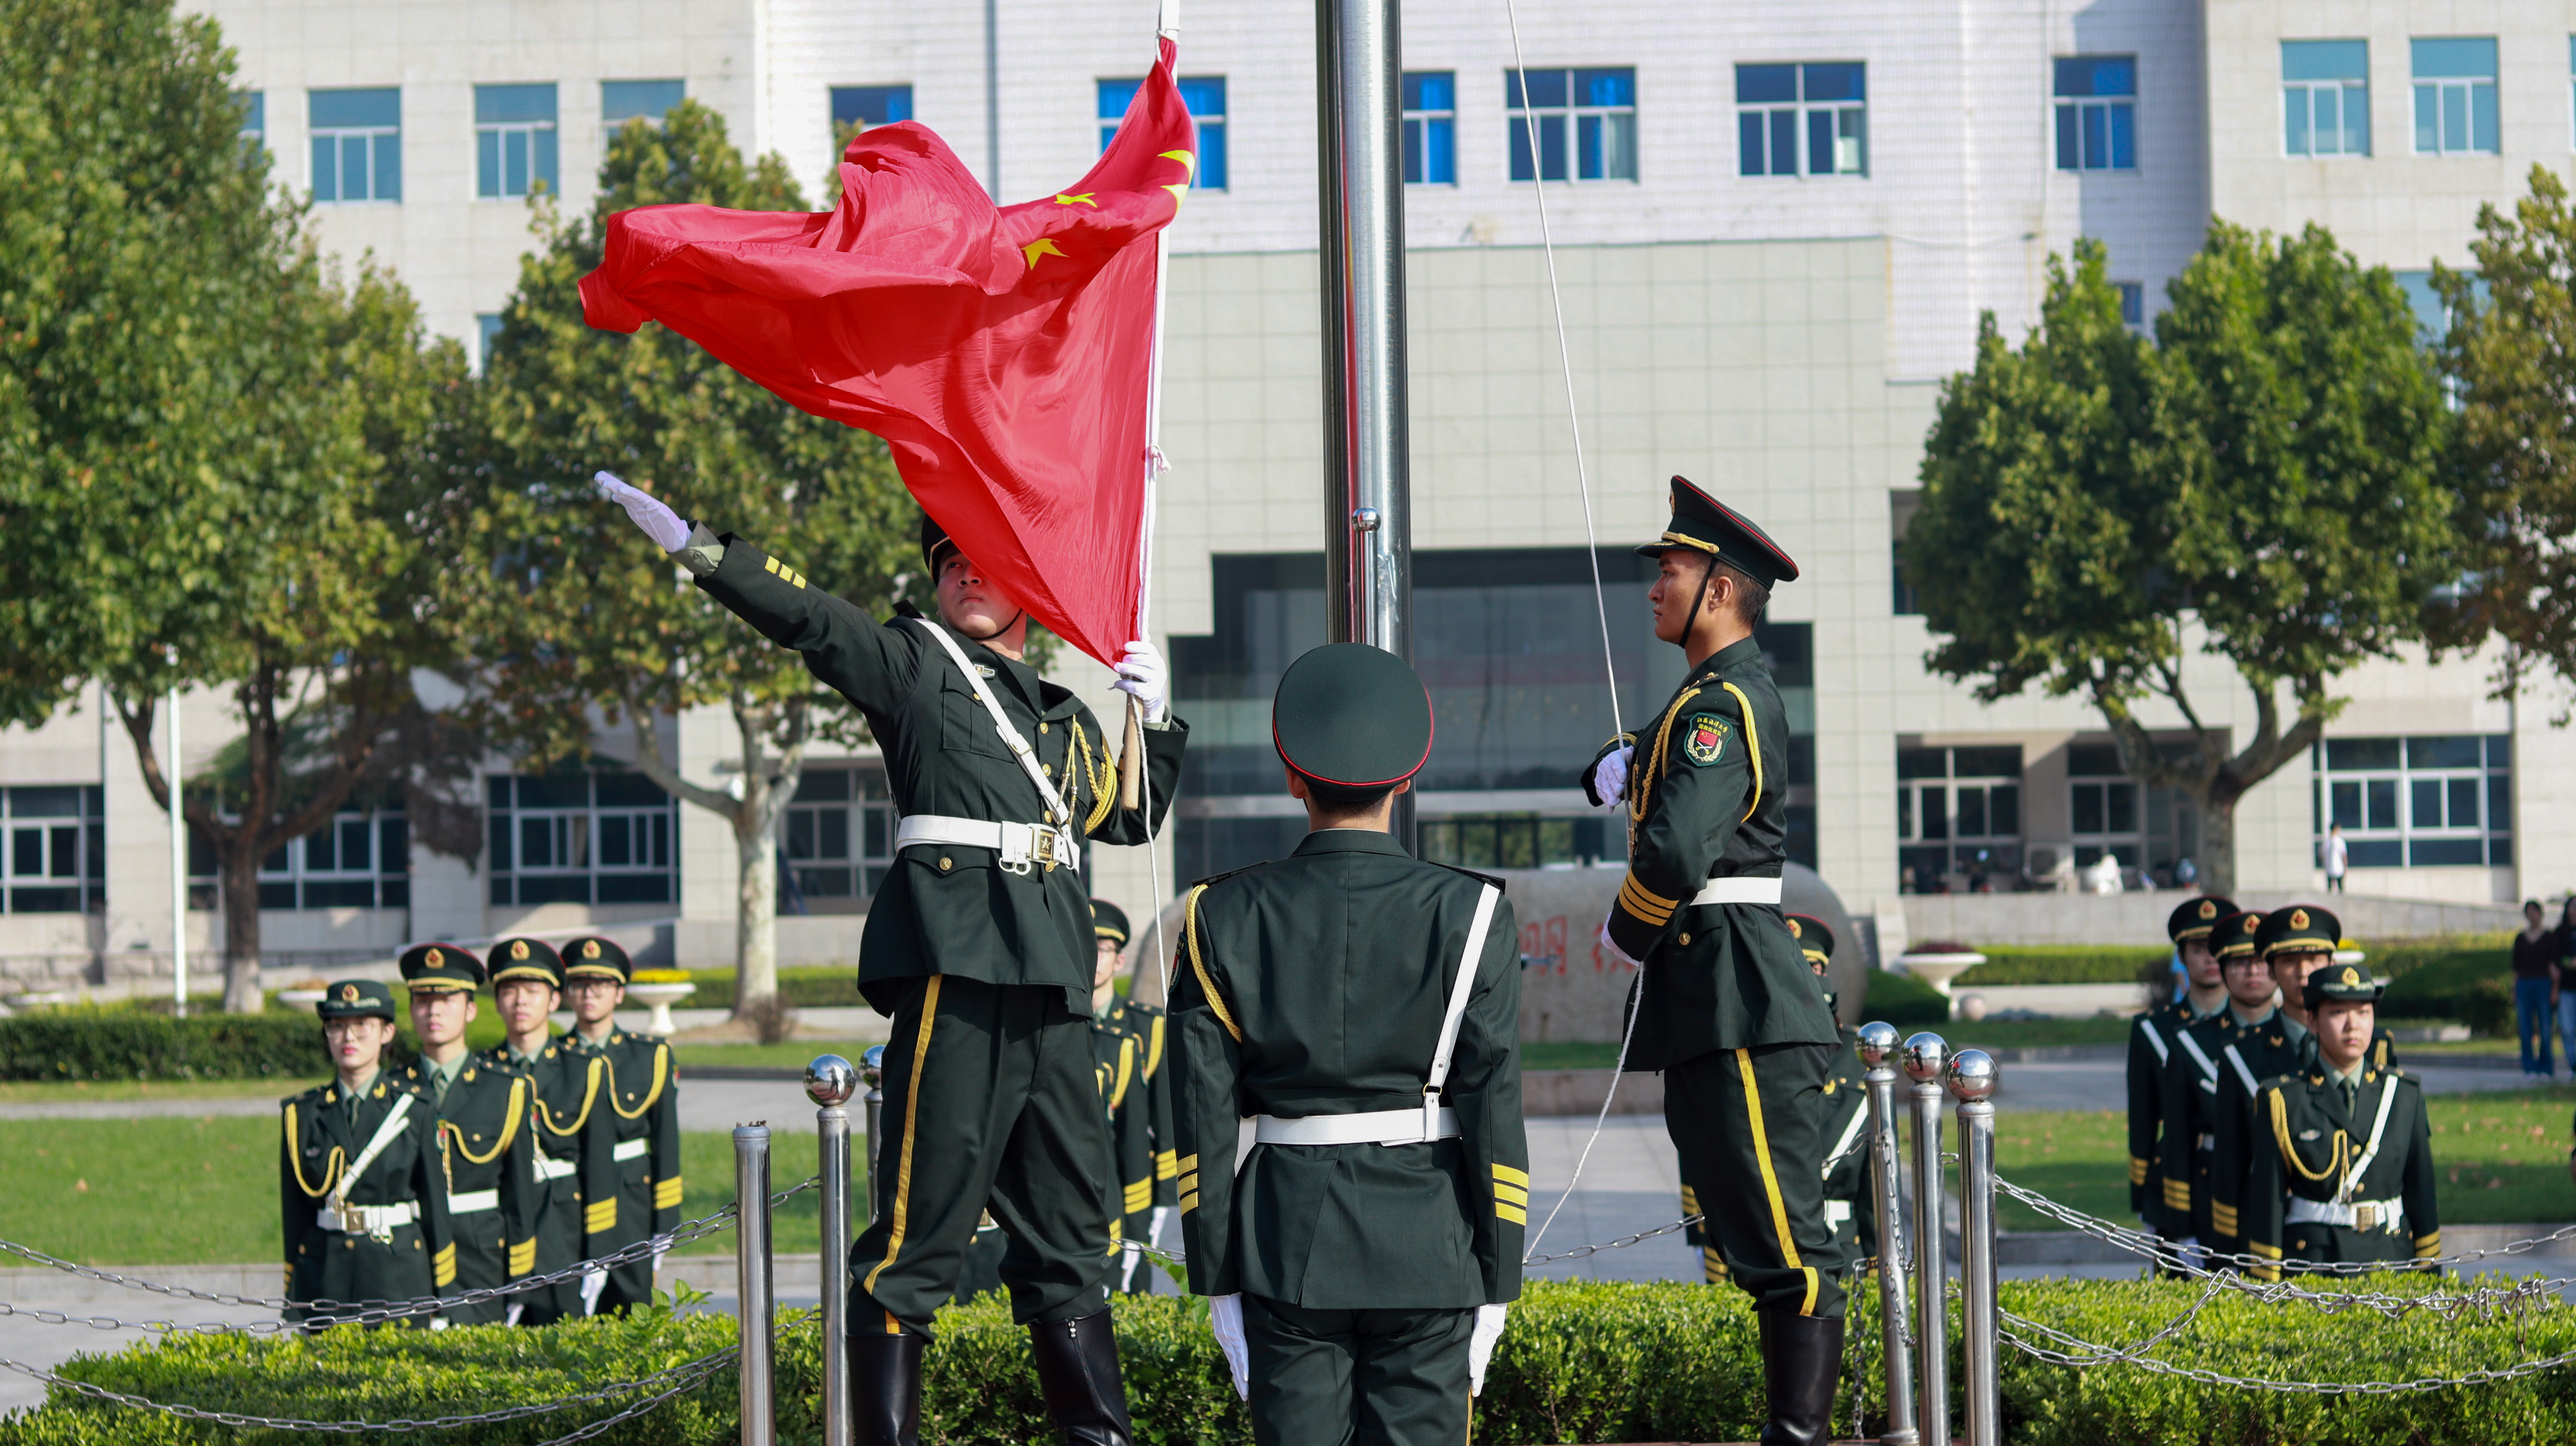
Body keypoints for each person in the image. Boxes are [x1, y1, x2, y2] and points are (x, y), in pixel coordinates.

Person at [608, 488, 1189, 1446]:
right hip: (958, 977)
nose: (964, 567)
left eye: (987, 557)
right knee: (914, 1246)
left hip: (1052, 990)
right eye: (951, 555)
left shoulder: (1066, 717)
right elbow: (813, 621)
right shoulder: (919, 666)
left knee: (1070, 1248)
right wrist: (703, 550)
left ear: (1028, 593)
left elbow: (1125, 817)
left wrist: (1156, 722)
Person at [1171, 642, 1525, 1446]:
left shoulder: (1217, 915)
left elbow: (1201, 1115)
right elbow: (1495, 1104)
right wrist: (1499, 1275)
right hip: (1430, 1240)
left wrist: (1216, 1277)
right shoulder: (1470, 912)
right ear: (1406, 779)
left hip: (1283, 1240)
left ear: (1292, 777)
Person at [1582, 478, 1842, 1445]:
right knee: (1739, 1228)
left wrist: (1627, 931)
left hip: (1735, 989)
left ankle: (1801, 1432)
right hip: (1707, 992)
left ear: (1723, 589)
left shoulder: (1721, 704)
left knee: (1785, 1238)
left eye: (1675, 569)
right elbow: (1667, 769)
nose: (1657, 586)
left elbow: (1681, 851)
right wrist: (1621, 758)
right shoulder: (1703, 701)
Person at [2240, 963, 2439, 1279]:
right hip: (2314, 1265)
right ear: (2312, 1020)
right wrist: (2266, 1282)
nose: (2353, 1026)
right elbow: (2269, 1202)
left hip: (2390, 1260)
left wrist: (2429, 1274)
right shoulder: (2283, 1099)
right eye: (2337, 1013)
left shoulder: (2403, 1094)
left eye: (2363, 1012)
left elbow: (2422, 1192)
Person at [280, 980, 457, 1329]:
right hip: (326, 1274)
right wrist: (294, 1293)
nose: (349, 1038)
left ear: (387, 1032)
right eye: (337, 1027)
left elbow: (436, 1207)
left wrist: (445, 1296)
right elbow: (295, 1216)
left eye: (363, 1026)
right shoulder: (301, 1113)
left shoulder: (415, 1108)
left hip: (398, 1275)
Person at [399, 944, 541, 1325]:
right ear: (412, 1009)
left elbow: (519, 1197)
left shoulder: (506, 1090)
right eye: (423, 1000)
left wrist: (519, 1281)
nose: (434, 1010)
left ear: (471, 1009)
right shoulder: (394, 1090)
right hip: (410, 1256)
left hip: (481, 1259)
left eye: (447, 999)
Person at [485, 936, 608, 1326]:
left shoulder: (584, 1069)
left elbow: (600, 1167)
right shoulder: (482, 1073)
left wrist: (600, 1255)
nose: (520, 1001)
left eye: (532, 991)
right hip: (499, 1231)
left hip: (564, 1228)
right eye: (509, 991)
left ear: (555, 1001)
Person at [2207, 907, 2339, 1267]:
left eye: (2314, 959)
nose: (2303, 972)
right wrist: (2226, 1253)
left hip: (2354, 1241)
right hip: (2270, 1235)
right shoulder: (2242, 1055)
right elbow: (2230, 1164)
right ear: (2271, 969)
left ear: (2332, 962)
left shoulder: (2374, 1048)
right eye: (2289, 961)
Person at [557, 936, 680, 1315]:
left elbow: (665, 1141)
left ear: (620, 993)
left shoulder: (649, 1056)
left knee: (632, 1305)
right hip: (572, 1198)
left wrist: (666, 1223)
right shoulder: (554, 1059)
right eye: (579, 985)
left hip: (632, 1202)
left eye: (602, 985)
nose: (589, 993)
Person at [2157, 909, 2279, 1263]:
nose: (2252, 972)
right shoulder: (2190, 1042)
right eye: (2239, 962)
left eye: (2261, 962)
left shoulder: (2302, 1041)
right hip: (2214, 1195)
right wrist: (2182, 1229)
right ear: (2224, 971)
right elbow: (2177, 1143)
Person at [2131, 897, 2233, 1242]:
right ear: (2182, 956)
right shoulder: (2153, 1030)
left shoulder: (2256, 1030)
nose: (2210, 958)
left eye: (2218, 948)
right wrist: (2141, 1194)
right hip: (2174, 1178)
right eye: (2199, 949)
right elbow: (2143, 1120)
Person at [1090, 899, 1176, 1293]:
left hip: (1133, 1182)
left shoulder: (1147, 1027)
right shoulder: (1054, 1029)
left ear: (1119, 961)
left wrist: (1162, 1202)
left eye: (1102, 949)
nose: (1092, 958)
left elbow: (1164, 1122)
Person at [1787, 914, 1875, 1278]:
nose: (1807, 978)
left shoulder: (1859, 1057)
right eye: (1795, 967)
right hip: (1775, 1250)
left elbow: (1875, 1179)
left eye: (1814, 967)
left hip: (1845, 1248)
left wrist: (1878, 1261)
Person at [2512, 899, 2558, 1079]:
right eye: (2528, 912)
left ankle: (2546, 1067)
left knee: (2546, 1028)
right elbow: (2515, 968)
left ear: (2541, 913)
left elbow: (2554, 966)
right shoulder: (2520, 938)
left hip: (2543, 984)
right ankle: (2529, 1067)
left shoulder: (2549, 937)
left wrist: (2555, 989)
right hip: (2525, 984)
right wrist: (2514, 991)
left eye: (2535, 911)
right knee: (2525, 1028)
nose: (2532, 915)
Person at [2557, 898, 2576, 1077]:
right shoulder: (2561, 933)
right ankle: (2573, 1065)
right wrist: (2569, 963)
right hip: (2567, 988)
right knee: (2568, 1028)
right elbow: (2556, 959)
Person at [2322, 823, 2349, 893]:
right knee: (2331, 889)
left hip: (2338, 868)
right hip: (2331, 868)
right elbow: (2344, 855)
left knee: (2340, 888)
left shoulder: (2337, 841)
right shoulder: (2329, 842)